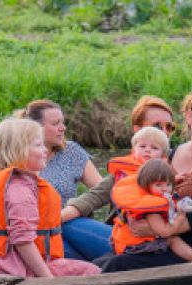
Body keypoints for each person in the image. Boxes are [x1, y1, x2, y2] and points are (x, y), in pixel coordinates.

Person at [97, 87, 192, 272]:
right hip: (166, 230)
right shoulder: (175, 152)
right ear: (189, 116)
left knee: (117, 265)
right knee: (100, 262)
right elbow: (147, 188)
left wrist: (157, 230)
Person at [59, 95, 177, 260]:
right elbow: (92, 198)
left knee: (67, 227)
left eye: (169, 127)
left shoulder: (177, 165)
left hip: (154, 244)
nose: (164, 131)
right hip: (121, 238)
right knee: (58, 235)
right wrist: (55, 220)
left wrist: (160, 230)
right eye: (157, 126)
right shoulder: (125, 169)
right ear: (137, 130)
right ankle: (88, 269)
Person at [0, 118, 100, 278]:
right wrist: (48, 279)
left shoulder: (15, 183)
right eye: (38, 145)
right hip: (16, 267)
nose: (45, 150)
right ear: (18, 151)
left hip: (6, 263)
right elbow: (23, 241)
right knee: (93, 271)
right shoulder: (20, 190)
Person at [111, 159, 192, 262]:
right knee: (173, 239)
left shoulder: (154, 196)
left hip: (129, 240)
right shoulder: (152, 211)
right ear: (146, 185)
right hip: (133, 245)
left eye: (168, 184)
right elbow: (165, 232)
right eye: (158, 185)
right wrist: (181, 215)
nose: (164, 189)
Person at [18, 100, 102, 205]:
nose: (63, 128)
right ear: (35, 127)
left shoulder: (72, 152)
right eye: (55, 123)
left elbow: (102, 191)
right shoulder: (15, 155)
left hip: (68, 214)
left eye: (62, 122)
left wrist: (78, 207)